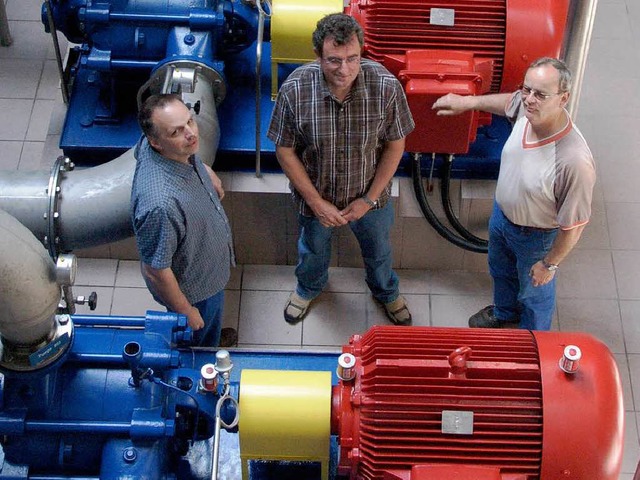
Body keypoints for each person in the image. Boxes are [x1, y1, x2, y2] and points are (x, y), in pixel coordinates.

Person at [267, 13, 415, 326]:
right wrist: (316, 203)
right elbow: (285, 150)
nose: (344, 70)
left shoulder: (386, 87)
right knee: (312, 251)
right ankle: (308, 287)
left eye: (352, 58)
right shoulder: (295, 89)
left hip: (371, 197)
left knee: (379, 251)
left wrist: (369, 199)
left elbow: (395, 146)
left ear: (362, 53)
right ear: (317, 55)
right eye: (333, 60)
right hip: (316, 196)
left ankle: (386, 291)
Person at [433, 57, 596, 331]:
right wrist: (467, 102)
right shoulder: (527, 107)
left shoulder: (573, 161)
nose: (530, 99)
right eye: (527, 89)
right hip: (502, 219)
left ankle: (533, 341)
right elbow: (510, 102)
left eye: (541, 94)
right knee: (500, 271)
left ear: (563, 98)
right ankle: (504, 313)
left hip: (536, 237)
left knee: (534, 295)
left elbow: (574, 227)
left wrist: (549, 264)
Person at [131, 93, 237, 347]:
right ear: (156, 142)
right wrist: (186, 312)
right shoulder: (160, 205)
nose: (191, 134)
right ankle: (204, 348)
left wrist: (204, 170)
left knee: (208, 323)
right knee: (197, 338)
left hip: (205, 263)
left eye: (190, 121)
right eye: (176, 132)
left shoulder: (164, 148)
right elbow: (156, 270)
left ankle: (209, 332)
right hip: (196, 288)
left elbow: (172, 146)